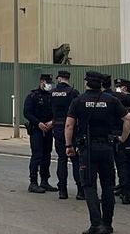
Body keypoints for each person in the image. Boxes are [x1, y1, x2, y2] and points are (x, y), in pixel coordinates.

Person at [65, 71, 130, 234]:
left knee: (89, 186)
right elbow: (128, 118)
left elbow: (69, 125)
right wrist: (122, 138)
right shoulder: (111, 100)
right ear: (101, 84)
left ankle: (96, 224)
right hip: (107, 148)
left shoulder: (78, 100)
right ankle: (107, 224)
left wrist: (69, 145)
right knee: (108, 186)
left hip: (87, 149)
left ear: (86, 83)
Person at [23, 73, 56, 193]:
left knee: (47, 155)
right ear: (41, 81)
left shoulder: (51, 96)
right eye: (46, 83)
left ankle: (44, 181)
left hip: (48, 128)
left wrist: (52, 122)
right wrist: (38, 123)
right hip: (37, 129)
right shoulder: (32, 96)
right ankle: (33, 182)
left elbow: (56, 112)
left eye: (49, 83)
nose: (48, 86)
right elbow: (27, 113)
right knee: (37, 155)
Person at [51, 69, 82, 199]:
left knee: (62, 159)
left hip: (57, 127)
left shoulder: (51, 93)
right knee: (76, 160)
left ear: (59, 78)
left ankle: (62, 190)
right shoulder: (73, 93)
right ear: (68, 79)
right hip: (72, 128)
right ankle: (80, 190)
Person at [113, 79, 130, 204]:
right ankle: (126, 187)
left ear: (124, 88)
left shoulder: (128, 99)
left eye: (119, 87)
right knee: (125, 162)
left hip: (124, 134)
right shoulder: (126, 99)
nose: (117, 89)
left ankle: (127, 189)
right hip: (125, 133)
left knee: (124, 162)